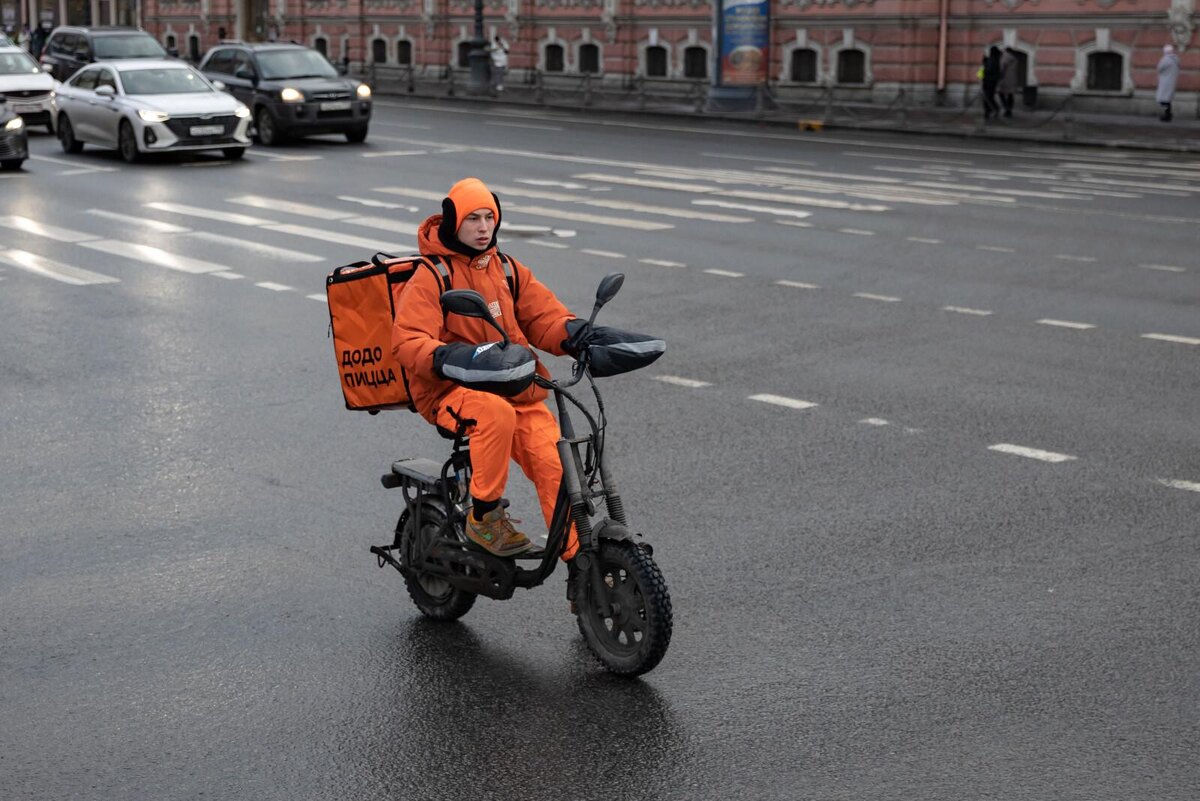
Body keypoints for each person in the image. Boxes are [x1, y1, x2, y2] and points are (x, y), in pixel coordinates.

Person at [392, 178, 585, 560]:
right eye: (473, 219)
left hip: (514, 387)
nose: (483, 228)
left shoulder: (507, 269)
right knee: (493, 413)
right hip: (449, 392)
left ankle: (581, 563)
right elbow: (408, 341)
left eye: (489, 218)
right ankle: (484, 518)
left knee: (556, 464)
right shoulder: (432, 275)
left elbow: (545, 319)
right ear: (453, 222)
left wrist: (580, 335)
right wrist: (450, 358)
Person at [1156, 44, 1180, 122]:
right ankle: (1168, 114)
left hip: (1165, 81)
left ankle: (1167, 115)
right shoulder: (1176, 59)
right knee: (1168, 99)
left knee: (1163, 100)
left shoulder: (1165, 59)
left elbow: (1159, 68)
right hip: (1172, 81)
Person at [998, 46, 1020, 118]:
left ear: (1006, 51)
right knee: (1010, 95)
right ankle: (1009, 110)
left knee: (1001, 93)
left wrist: (999, 76)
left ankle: (1006, 108)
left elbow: (1002, 67)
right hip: (1013, 79)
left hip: (1005, 79)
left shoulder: (1006, 56)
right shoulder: (1014, 58)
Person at [979, 53, 999, 120]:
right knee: (989, 97)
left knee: (987, 98)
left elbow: (980, 75)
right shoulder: (994, 62)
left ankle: (989, 111)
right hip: (991, 83)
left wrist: (981, 82)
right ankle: (993, 109)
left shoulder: (985, 65)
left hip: (987, 83)